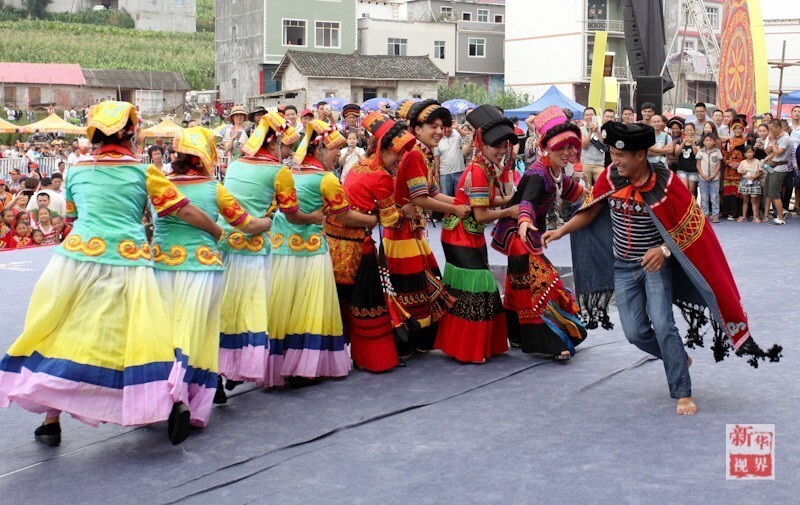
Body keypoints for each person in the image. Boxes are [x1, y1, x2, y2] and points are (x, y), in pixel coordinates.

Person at [0, 101, 224, 446]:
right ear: (131, 133)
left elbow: (74, 213)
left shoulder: (76, 171)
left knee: (60, 329)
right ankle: (173, 403)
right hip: (127, 263)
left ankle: (51, 419)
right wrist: (216, 231)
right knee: (145, 336)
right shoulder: (143, 172)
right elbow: (185, 211)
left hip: (73, 260)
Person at [542, 121, 782, 415]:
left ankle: (682, 391)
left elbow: (693, 231)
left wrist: (664, 249)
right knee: (634, 333)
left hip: (655, 268)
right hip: (623, 266)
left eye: (621, 156)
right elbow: (591, 211)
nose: (614, 162)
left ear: (641, 155)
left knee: (664, 323)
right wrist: (561, 231)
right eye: (613, 156)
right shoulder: (610, 177)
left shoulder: (667, 184)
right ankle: (676, 355)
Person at [151, 127, 271, 428]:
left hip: (160, 267)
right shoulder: (213, 189)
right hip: (201, 270)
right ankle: (185, 398)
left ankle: (159, 397)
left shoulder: (160, 184)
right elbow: (246, 224)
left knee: (162, 333)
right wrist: (271, 219)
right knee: (197, 335)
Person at [216, 112, 318, 395]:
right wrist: (318, 217)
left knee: (224, 310)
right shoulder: (278, 172)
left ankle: (218, 370)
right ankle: (239, 369)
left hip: (223, 244)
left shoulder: (235, 164)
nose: (288, 154)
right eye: (287, 147)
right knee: (251, 312)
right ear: (275, 145)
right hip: (252, 248)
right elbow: (293, 213)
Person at [269, 120, 376, 385]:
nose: (338, 155)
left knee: (284, 307)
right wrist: (372, 220)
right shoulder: (326, 178)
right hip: (310, 250)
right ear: (318, 150)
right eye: (333, 149)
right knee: (310, 306)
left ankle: (282, 362)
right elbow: (346, 215)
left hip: (280, 248)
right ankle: (304, 365)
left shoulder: (289, 172)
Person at [324, 112, 416, 372]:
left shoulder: (359, 165)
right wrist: (405, 212)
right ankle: (373, 358)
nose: (399, 160)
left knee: (342, 302)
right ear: (385, 150)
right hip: (356, 247)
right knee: (366, 302)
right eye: (397, 154)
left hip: (334, 241)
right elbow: (388, 220)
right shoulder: (382, 176)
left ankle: (337, 357)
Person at [492, 106, 587, 360]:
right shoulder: (537, 174)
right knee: (543, 285)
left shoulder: (556, 172)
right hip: (520, 238)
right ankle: (551, 343)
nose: (567, 153)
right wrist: (524, 221)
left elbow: (575, 193)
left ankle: (516, 335)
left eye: (571, 147)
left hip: (530, 237)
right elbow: (527, 204)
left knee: (518, 287)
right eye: (561, 148)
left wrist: (604, 196)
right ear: (547, 148)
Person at [383, 100, 469, 357]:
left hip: (411, 233)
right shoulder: (414, 155)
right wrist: (456, 209)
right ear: (415, 128)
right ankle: (408, 341)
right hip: (401, 234)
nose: (440, 131)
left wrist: (462, 203)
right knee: (411, 289)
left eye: (442, 126)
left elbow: (432, 191)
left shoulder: (423, 154)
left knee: (421, 285)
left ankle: (417, 341)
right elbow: (419, 198)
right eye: (433, 126)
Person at [435, 105, 519, 364]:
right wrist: (509, 211)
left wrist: (509, 198)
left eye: (505, 146)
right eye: (498, 146)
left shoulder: (483, 166)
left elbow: (485, 200)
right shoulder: (478, 170)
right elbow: (481, 215)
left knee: (472, 291)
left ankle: (465, 345)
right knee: (479, 288)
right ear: (481, 144)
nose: (502, 151)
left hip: (465, 235)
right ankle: (468, 349)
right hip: (462, 236)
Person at [763, 119, 792, 225]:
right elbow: (768, 151)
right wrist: (771, 141)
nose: (770, 131)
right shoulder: (776, 136)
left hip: (779, 168)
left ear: (779, 128)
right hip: (772, 167)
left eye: (771, 129)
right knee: (769, 191)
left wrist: (773, 142)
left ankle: (781, 217)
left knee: (775, 194)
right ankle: (779, 213)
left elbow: (778, 153)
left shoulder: (785, 139)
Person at [434, 120, 470, 198]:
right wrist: (436, 172)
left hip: (459, 171)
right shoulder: (438, 138)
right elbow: (436, 157)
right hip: (444, 173)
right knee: (446, 198)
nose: (447, 130)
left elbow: (468, 138)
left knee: (460, 197)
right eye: (444, 128)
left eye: (449, 127)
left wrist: (457, 128)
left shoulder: (457, 134)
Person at [722, 118, 747, 220]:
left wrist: (741, 165)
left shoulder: (746, 141)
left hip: (741, 170)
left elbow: (748, 155)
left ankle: (738, 213)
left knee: (739, 191)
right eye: (735, 128)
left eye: (739, 128)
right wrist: (729, 163)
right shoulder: (729, 141)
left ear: (743, 129)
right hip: (729, 170)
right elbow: (725, 155)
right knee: (729, 190)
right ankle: (729, 212)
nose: (737, 130)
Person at [696, 132, 723, 222]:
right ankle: (705, 215)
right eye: (706, 140)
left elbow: (719, 165)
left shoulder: (717, 152)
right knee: (704, 197)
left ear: (714, 142)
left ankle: (715, 215)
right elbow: (698, 165)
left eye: (711, 140)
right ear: (703, 142)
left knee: (714, 197)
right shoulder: (700, 152)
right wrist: (702, 174)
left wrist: (714, 174)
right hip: (703, 178)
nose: (708, 142)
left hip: (714, 178)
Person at [737, 144, 763, 223]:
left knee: (754, 200)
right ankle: (744, 216)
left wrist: (754, 176)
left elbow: (760, 171)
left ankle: (755, 217)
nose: (749, 154)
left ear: (754, 152)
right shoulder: (743, 162)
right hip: (745, 182)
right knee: (745, 200)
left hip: (754, 182)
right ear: (744, 154)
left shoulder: (757, 161)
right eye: (747, 152)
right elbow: (739, 171)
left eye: (751, 152)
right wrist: (743, 172)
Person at [580, 107, 606, 188]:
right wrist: (590, 132)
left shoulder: (602, 128)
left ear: (595, 116)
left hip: (599, 164)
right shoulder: (581, 129)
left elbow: (605, 143)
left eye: (591, 114)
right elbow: (583, 145)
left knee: (602, 188)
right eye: (586, 115)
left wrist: (597, 132)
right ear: (584, 117)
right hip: (585, 164)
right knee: (586, 190)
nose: (589, 117)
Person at [674, 122, 699, 195]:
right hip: (682, 170)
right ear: (684, 132)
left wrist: (693, 143)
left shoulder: (697, 142)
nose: (689, 132)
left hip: (693, 170)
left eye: (691, 130)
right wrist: (683, 142)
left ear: (694, 131)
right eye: (687, 130)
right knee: (684, 189)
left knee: (691, 191)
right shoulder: (679, 141)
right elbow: (676, 153)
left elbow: (697, 154)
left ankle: (692, 206)